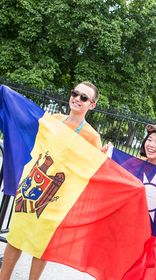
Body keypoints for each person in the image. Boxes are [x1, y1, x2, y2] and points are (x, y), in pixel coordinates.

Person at [0, 81, 102, 280]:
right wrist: (9, 98)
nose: (77, 99)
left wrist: (102, 157)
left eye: (84, 97)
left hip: (57, 199)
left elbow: (92, 171)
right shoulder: (53, 120)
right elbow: (29, 134)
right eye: (75, 93)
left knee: (41, 246)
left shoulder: (92, 136)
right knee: (15, 238)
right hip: (32, 188)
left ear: (92, 105)